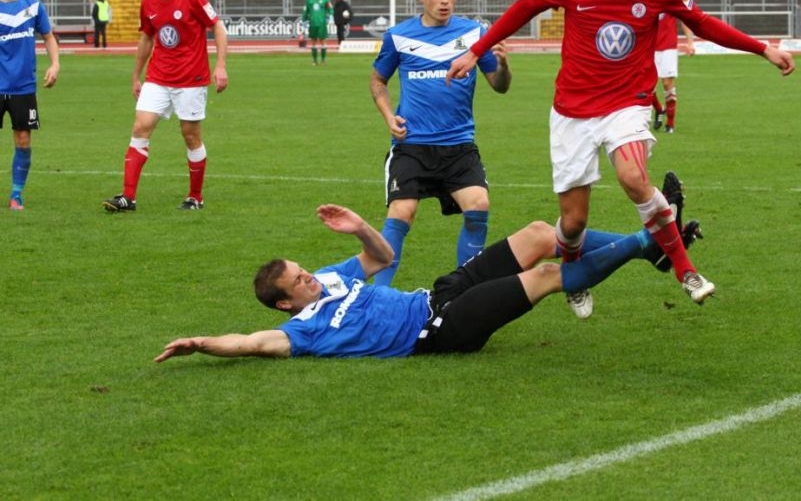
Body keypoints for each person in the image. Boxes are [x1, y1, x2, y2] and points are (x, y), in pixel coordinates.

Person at [446, 0, 795, 316]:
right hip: (572, 111)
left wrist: (762, 48)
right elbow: (525, 7)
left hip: (626, 104)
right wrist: (477, 50)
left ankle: (686, 270)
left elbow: (701, 23)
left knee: (633, 176)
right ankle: (574, 274)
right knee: (572, 225)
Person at [153, 196, 689, 362]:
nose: (311, 278)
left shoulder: (334, 280)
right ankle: (651, 240)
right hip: (440, 332)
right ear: (284, 304)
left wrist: (360, 227)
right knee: (549, 275)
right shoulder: (300, 333)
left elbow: (383, 258)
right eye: (300, 281)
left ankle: (652, 250)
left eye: (304, 270)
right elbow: (248, 343)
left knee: (538, 234)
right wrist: (201, 343)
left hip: (438, 295)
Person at [369, 0, 511, 287]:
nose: (445, 0)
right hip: (412, 146)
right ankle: (377, 298)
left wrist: (503, 65)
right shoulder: (399, 36)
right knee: (401, 213)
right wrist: (388, 116)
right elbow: (378, 80)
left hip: (458, 146)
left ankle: (465, 291)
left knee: (479, 205)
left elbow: (500, 85)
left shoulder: (475, 35)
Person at [102, 0, 229, 213]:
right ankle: (128, 197)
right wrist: (136, 75)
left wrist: (220, 66)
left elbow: (217, 26)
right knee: (140, 128)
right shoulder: (148, 2)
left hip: (191, 79)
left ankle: (195, 197)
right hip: (158, 76)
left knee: (190, 136)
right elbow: (147, 38)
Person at [0, 0, 59, 210]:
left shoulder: (34, 7)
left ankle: (16, 195)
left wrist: (55, 64)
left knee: (23, 140)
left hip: (24, 87)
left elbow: (48, 36)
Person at [650, 0, 696, 133]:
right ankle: (659, 109)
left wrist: (690, 43)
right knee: (646, 86)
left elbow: (685, 19)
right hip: (649, 48)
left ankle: (670, 122)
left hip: (668, 46)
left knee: (667, 83)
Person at [301, 0, 332, 65]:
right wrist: (304, 19)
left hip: (322, 24)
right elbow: (305, 10)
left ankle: (323, 60)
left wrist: (329, 17)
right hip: (313, 23)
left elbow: (330, 9)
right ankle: (314, 61)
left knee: (323, 41)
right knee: (313, 42)